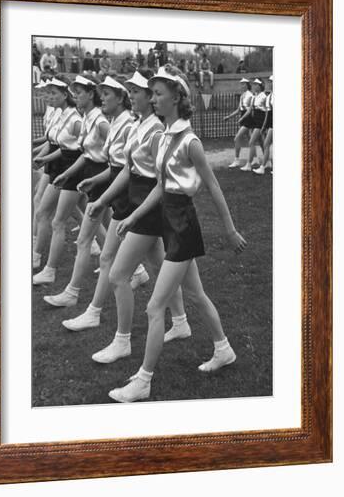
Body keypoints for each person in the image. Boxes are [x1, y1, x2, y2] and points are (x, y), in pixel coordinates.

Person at [106, 65, 247, 403]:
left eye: (157, 93)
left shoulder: (190, 141)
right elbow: (160, 186)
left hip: (183, 226)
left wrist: (229, 230)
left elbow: (212, 187)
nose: (152, 99)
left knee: (155, 307)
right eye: (151, 93)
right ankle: (223, 349)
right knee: (196, 295)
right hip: (169, 222)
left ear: (177, 97)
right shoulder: (166, 135)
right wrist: (133, 216)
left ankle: (143, 381)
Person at [75, 70, 191, 350]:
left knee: (116, 270)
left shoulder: (154, 130)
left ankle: (121, 338)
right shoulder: (140, 125)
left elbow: (159, 178)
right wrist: (103, 199)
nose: (134, 95)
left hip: (145, 205)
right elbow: (128, 168)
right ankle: (181, 321)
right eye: (134, 91)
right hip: (136, 202)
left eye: (137, 91)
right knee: (157, 265)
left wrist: (133, 211)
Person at [43, 76, 147, 307]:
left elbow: (122, 163)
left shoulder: (107, 122)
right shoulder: (100, 119)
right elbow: (97, 155)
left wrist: (97, 181)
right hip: (104, 178)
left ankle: (75, 294)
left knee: (87, 239)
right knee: (112, 238)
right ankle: (139, 274)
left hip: (114, 182)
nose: (77, 96)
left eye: (80, 92)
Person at [32, 76, 82, 284]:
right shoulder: (61, 114)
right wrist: (41, 155)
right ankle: (38, 258)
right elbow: (56, 143)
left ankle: (40, 261)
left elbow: (77, 150)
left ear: (65, 94)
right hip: (60, 168)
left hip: (70, 169)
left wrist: (43, 157)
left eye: (53, 93)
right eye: (47, 93)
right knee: (87, 217)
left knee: (54, 215)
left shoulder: (75, 118)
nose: (48, 97)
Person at [224, 78, 254, 168]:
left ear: (247, 85)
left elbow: (249, 110)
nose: (242, 86)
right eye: (241, 84)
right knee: (252, 139)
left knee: (237, 138)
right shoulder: (243, 95)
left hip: (248, 118)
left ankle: (237, 160)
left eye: (244, 84)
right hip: (244, 117)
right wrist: (229, 117)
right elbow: (238, 109)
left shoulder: (249, 95)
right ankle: (256, 159)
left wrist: (242, 118)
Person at [240, 77, 267, 171]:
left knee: (251, 142)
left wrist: (265, 125)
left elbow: (267, 111)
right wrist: (242, 118)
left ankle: (248, 165)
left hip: (260, 122)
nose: (254, 86)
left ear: (260, 86)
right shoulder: (255, 96)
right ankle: (268, 161)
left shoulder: (263, 96)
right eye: (254, 84)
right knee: (262, 142)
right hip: (256, 122)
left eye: (256, 84)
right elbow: (250, 110)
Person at [254, 75, 273, 174]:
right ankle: (265, 165)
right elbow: (267, 114)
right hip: (270, 124)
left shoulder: (267, 96)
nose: (271, 83)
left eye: (272, 82)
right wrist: (264, 126)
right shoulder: (269, 96)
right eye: (270, 82)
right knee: (266, 144)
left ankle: (263, 166)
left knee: (266, 144)